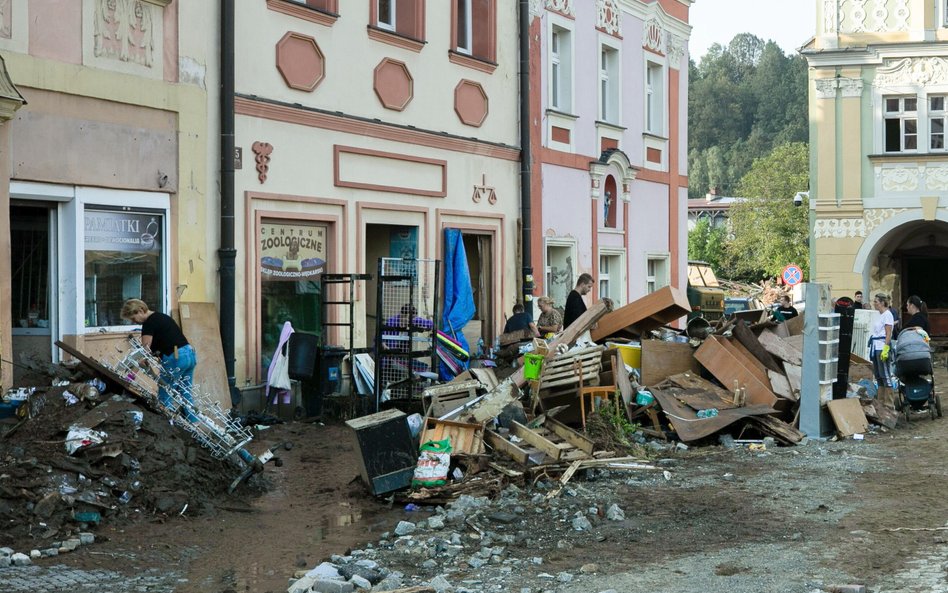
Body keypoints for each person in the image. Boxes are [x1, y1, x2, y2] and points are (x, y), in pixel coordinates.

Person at [120, 299, 198, 418]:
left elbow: (144, 352)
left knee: (164, 394)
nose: (134, 321)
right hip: (189, 354)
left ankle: (169, 426)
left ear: (140, 310)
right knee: (185, 392)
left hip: (176, 358)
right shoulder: (162, 317)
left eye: (133, 318)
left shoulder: (149, 323)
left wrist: (131, 375)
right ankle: (194, 424)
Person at [869, 293, 895, 408]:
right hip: (875, 347)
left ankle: (889, 402)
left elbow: (888, 332)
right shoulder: (879, 315)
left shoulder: (887, 315)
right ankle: (880, 401)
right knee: (878, 374)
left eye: (876, 302)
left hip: (881, 347)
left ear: (882, 303)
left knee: (885, 374)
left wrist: (886, 347)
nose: (874, 304)